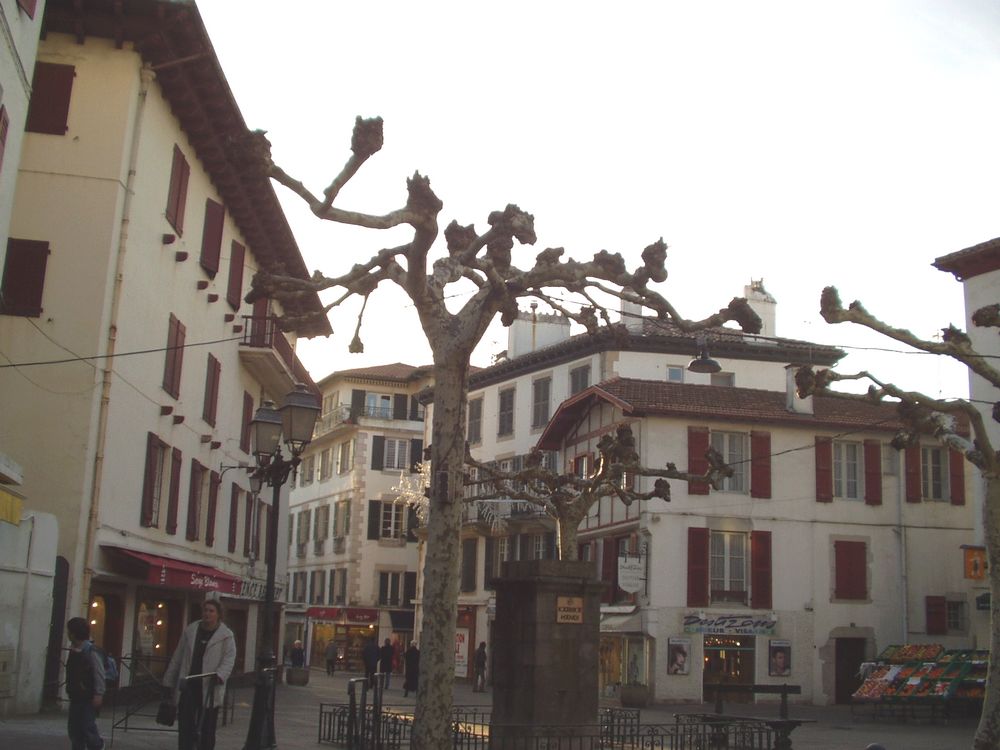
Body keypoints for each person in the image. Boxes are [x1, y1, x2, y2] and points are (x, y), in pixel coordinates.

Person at [162, 599, 237, 750]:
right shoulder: (191, 630)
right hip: (188, 683)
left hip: (209, 686)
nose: (207, 614)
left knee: (207, 727)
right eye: (205, 610)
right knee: (186, 725)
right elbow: (178, 656)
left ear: (218, 614)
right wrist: (168, 681)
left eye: (211, 611)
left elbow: (229, 659)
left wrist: (220, 675)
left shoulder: (226, 636)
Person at [65, 617, 106, 750]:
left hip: (88, 696)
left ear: (73, 633)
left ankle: (97, 746)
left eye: (69, 631)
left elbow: (99, 673)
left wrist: (98, 694)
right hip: (76, 695)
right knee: (74, 729)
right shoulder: (74, 650)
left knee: (87, 726)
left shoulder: (90, 651)